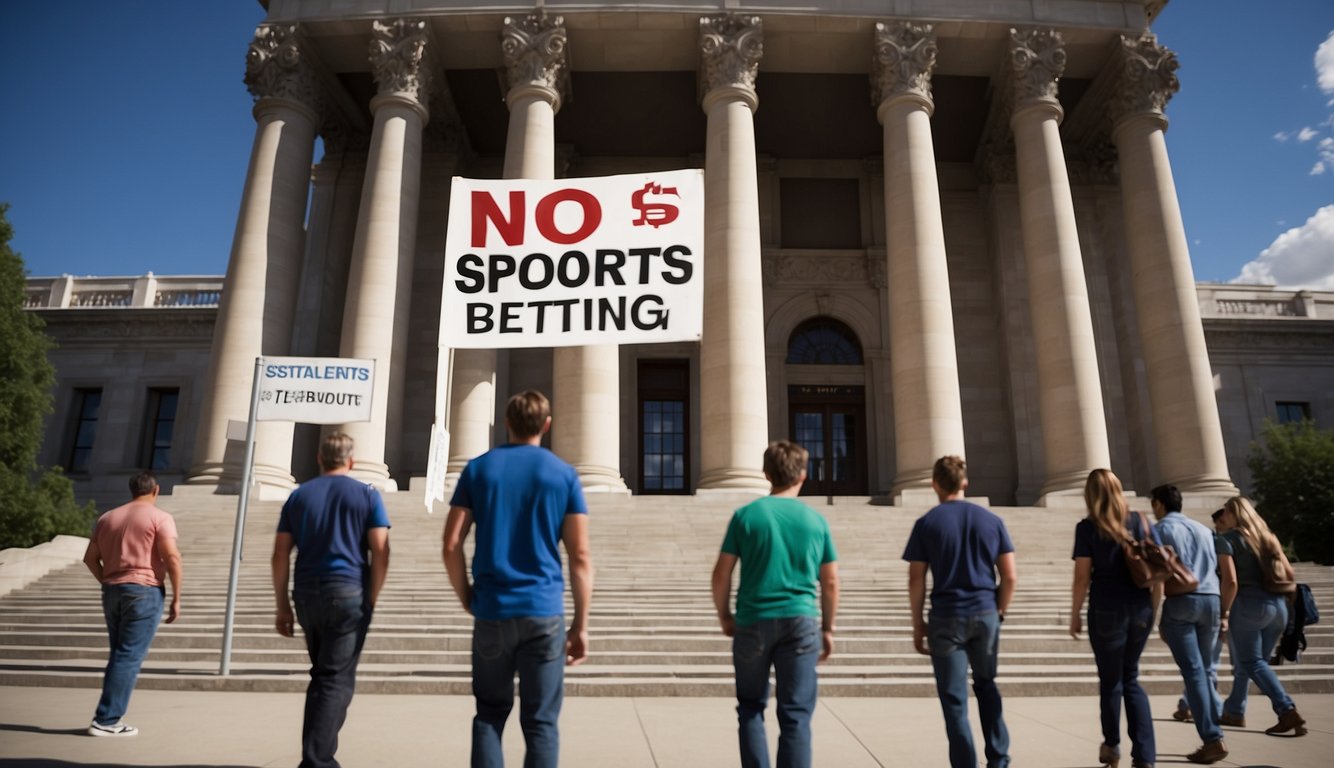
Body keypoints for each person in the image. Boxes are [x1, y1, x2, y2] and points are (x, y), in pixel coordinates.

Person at [443, 390, 593, 768]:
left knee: (490, 714)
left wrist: (466, 597)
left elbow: (450, 544)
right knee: (541, 722)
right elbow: (580, 555)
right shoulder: (563, 474)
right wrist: (581, 625)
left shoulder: (477, 469)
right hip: (543, 611)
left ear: (506, 422)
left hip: (492, 607)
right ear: (546, 425)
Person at [711, 440, 840, 768]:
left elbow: (721, 574)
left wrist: (725, 615)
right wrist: (828, 627)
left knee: (751, 707)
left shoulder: (746, 516)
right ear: (803, 475)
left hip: (752, 619)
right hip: (801, 621)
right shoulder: (815, 521)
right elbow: (830, 581)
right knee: (796, 714)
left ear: (766, 473)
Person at [272, 432, 391, 768]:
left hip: (307, 593)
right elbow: (381, 550)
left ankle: (318, 755)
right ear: (351, 461)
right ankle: (317, 761)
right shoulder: (367, 494)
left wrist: (282, 604)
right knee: (335, 678)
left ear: (320, 459)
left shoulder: (299, 496)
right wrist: (372, 597)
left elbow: (280, 552)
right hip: (349, 591)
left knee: (324, 675)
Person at [903, 455, 1016, 768]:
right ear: (965, 482)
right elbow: (1009, 576)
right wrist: (1000, 610)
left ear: (935, 484)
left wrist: (917, 624)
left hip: (946, 616)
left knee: (954, 700)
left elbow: (916, 578)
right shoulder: (991, 520)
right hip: (985, 613)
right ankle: (999, 758)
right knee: (987, 685)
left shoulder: (927, 523)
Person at [1068, 469, 1158, 768]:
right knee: (1131, 677)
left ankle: (1112, 746)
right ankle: (1145, 756)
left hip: (1106, 607)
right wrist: (1153, 609)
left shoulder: (1088, 527)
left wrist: (1075, 613)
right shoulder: (1142, 522)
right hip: (1141, 607)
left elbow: (1082, 577)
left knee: (1111, 682)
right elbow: (1157, 573)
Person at [82, 471, 182, 737]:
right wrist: (177, 597)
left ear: (132, 490)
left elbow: (89, 558)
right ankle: (106, 719)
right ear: (156, 490)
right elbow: (172, 557)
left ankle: (108, 716)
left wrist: (107, 580)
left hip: (113, 589)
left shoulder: (107, 517)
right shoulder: (160, 517)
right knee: (128, 656)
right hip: (144, 590)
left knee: (119, 654)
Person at [1216, 496, 1307, 736]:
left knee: (1251, 662)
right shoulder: (1268, 538)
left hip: (1248, 604)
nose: (1223, 516)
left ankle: (1286, 709)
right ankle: (1234, 711)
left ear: (1235, 514)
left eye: (1226, 512)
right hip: (1279, 606)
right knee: (1255, 662)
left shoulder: (1227, 539)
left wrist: (1224, 612)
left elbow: (1231, 580)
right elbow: (1290, 571)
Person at [1151, 484, 1227, 764]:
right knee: (1205, 671)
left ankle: (1212, 738)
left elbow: (1159, 575)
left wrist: (1154, 613)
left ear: (1159, 504)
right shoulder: (1205, 529)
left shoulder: (1160, 529)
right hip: (1212, 600)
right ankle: (1212, 733)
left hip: (1182, 603)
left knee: (1194, 673)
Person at [1171, 508, 1240, 726]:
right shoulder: (1219, 542)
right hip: (1214, 603)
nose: (1218, 528)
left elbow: (1230, 581)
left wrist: (1225, 612)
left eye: (1220, 522)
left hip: (1217, 604)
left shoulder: (1222, 543)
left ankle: (1210, 710)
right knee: (1206, 663)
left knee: (1205, 663)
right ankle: (1188, 704)